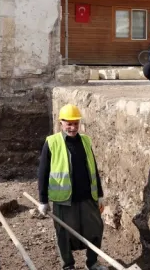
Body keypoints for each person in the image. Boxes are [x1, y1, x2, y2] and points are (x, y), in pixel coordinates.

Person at [38, 104, 107, 270]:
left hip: (87, 196)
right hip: (64, 200)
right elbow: (43, 172)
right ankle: (68, 266)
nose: (72, 127)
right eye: (68, 123)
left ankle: (93, 262)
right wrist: (43, 200)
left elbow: (93, 168)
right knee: (64, 234)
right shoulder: (52, 142)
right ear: (61, 123)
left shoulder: (85, 140)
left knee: (95, 229)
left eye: (75, 123)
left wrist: (99, 194)